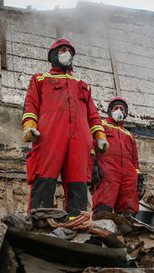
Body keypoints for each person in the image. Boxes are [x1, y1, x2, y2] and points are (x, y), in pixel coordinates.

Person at [22, 38, 108, 217]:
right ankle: (39, 222)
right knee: (44, 177)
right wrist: (29, 126)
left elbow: (93, 114)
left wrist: (100, 136)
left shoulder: (83, 86)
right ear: (53, 55)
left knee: (78, 183)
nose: (67, 54)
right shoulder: (41, 79)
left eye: (69, 52)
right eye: (62, 50)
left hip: (80, 139)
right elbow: (31, 104)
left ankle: (75, 224)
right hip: (49, 136)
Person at [90, 97, 144, 217]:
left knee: (128, 211)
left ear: (125, 113)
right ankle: (102, 233)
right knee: (103, 206)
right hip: (107, 173)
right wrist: (92, 165)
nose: (119, 110)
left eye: (121, 109)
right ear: (109, 111)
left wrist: (139, 180)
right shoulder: (101, 126)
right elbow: (91, 146)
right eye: (116, 108)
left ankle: (125, 235)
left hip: (129, 178)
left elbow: (135, 162)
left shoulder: (130, 136)